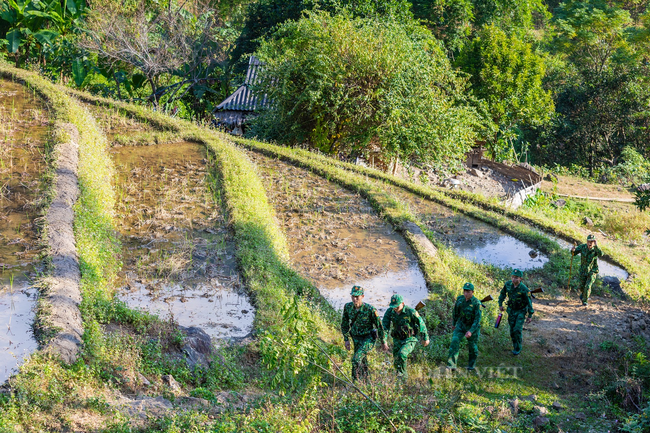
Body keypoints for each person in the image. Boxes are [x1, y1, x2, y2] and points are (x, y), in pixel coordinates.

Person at [341, 285, 387, 381]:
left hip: (368, 338)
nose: (354, 299)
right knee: (362, 360)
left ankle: (355, 382)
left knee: (356, 359)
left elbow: (380, 326)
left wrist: (383, 341)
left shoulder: (370, 310)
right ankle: (366, 381)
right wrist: (346, 340)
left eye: (357, 297)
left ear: (362, 296)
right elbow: (344, 324)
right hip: (356, 337)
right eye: (353, 296)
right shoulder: (348, 307)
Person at [382, 294, 429, 378]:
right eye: (393, 306)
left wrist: (425, 338)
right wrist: (384, 340)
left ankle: (403, 377)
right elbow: (385, 327)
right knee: (396, 360)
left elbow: (421, 323)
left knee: (402, 354)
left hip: (409, 339)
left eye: (397, 306)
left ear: (402, 303)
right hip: (397, 339)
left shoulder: (410, 311)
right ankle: (398, 376)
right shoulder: (390, 312)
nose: (395, 308)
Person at [447, 282, 482, 370]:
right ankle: (451, 365)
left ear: (472, 292)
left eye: (468, 291)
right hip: (461, 325)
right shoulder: (460, 299)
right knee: (454, 341)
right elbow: (455, 312)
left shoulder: (476, 303)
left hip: (472, 327)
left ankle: (471, 365)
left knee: (472, 347)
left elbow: (477, 319)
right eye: (465, 291)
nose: (466, 293)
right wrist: (454, 324)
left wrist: (471, 331)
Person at [498, 269, 534, 355]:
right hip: (511, 310)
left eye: (516, 278)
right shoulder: (508, 284)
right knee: (512, 330)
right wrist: (500, 303)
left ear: (520, 278)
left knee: (517, 329)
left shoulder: (524, 289)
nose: (514, 279)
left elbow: (529, 302)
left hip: (521, 311)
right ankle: (515, 345)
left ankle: (518, 348)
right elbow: (502, 294)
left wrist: (530, 315)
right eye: (513, 277)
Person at [571, 234, 603, 306]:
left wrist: (596, 245)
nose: (590, 243)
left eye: (592, 242)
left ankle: (585, 301)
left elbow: (601, 254)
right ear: (586, 241)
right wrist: (573, 250)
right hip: (583, 270)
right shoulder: (582, 247)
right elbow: (574, 253)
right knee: (582, 287)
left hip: (592, 271)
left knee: (588, 286)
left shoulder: (595, 249)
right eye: (589, 241)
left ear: (594, 242)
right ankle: (583, 295)